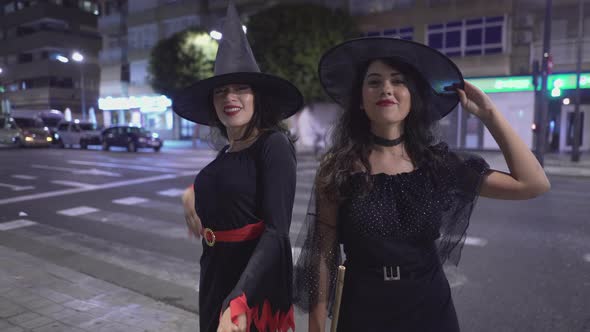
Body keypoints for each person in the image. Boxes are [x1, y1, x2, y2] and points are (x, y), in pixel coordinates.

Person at [293, 37, 550, 332]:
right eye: (374, 82)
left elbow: (533, 183)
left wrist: (489, 115)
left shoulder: (437, 166)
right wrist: (316, 326)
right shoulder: (338, 169)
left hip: (430, 310)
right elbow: (322, 255)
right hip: (363, 311)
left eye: (398, 81)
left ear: (412, 96)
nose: (386, 89)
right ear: (360, 101)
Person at [173, 3, 303, 332]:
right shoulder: (230, 150)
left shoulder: (273, 144)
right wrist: (190, 193)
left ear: (258, 97)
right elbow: (222, 184)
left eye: (241, 88)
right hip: (215, 272)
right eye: (221, 91)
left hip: (252, 284)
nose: (230, 96)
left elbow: (277, 233)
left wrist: (240, 299)